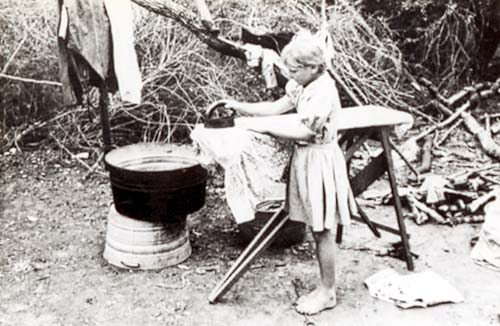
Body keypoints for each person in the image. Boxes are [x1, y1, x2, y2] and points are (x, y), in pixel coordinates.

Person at [222, 30, 356, 315]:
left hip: (320, 161)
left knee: (322, 229)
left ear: (312, 67)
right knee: (315, 225)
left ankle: (327, 291)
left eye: (295, 70)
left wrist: (262, 126)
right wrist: (238, 108)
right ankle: (325, 286)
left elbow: (304, 130)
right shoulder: (302, 84)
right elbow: (275, 107)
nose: (291, 76)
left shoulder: (324, 91)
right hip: (305, 159)